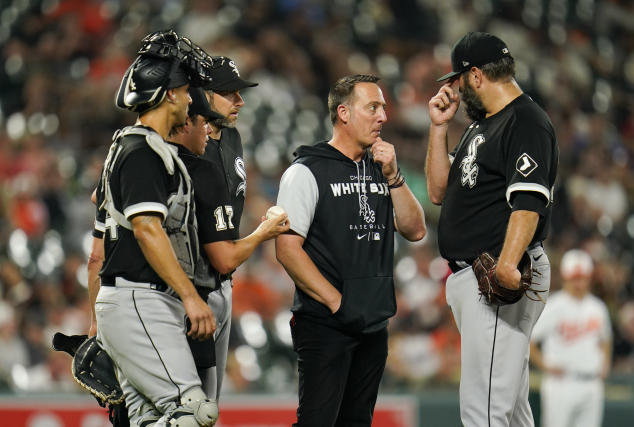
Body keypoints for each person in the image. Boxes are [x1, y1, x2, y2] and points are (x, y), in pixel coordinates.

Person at [275, 74, 426, 426]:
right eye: (372, 107)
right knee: (317, 422)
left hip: (372, 322)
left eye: (384, 108)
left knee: (357, 422)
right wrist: (337, 303)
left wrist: (393, 175)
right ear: (343, 112)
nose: (383, 117)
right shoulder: (306, 171)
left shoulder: (381, 168)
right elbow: (287, 249)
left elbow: (415, 229)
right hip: (325, 323)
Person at [425, 31, 558, 426]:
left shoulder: (525, 120)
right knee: (511, 411)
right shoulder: (482, 125)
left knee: (483, 412)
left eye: (459, 79)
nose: (456, 88)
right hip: (477, 275)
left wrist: (507, 264)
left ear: (477, 75)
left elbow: (529, 202)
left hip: (497, 277)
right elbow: (438, 191)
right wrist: (438, 128)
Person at [92, 30, 219, 426]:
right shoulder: (141, 150)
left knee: (147, 419)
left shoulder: (139, 148)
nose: (187, 99)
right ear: (167, 95)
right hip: (139, 298)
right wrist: (191, 297)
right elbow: (147, 229)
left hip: (134, 301)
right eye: (183, 92)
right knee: (193, 413)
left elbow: (98, 247)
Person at [176, 69, 289, 402]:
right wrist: (263, 232)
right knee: (187, 406)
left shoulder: (233, 137)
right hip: (190, 288)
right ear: (203, 96)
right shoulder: (185, 143)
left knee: (208, 403)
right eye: (229, 93)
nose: (240, 100)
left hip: (222, 284)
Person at [530, 249, 612, 427]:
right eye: (574, 278)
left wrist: (605, 362)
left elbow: (606, 339)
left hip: (592, 383)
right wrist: (545, 365)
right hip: (561, 383)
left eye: (582, 277)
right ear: (565, 278)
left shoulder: (597, 307)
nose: (579, 283)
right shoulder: (554, 306)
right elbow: (530, 341)